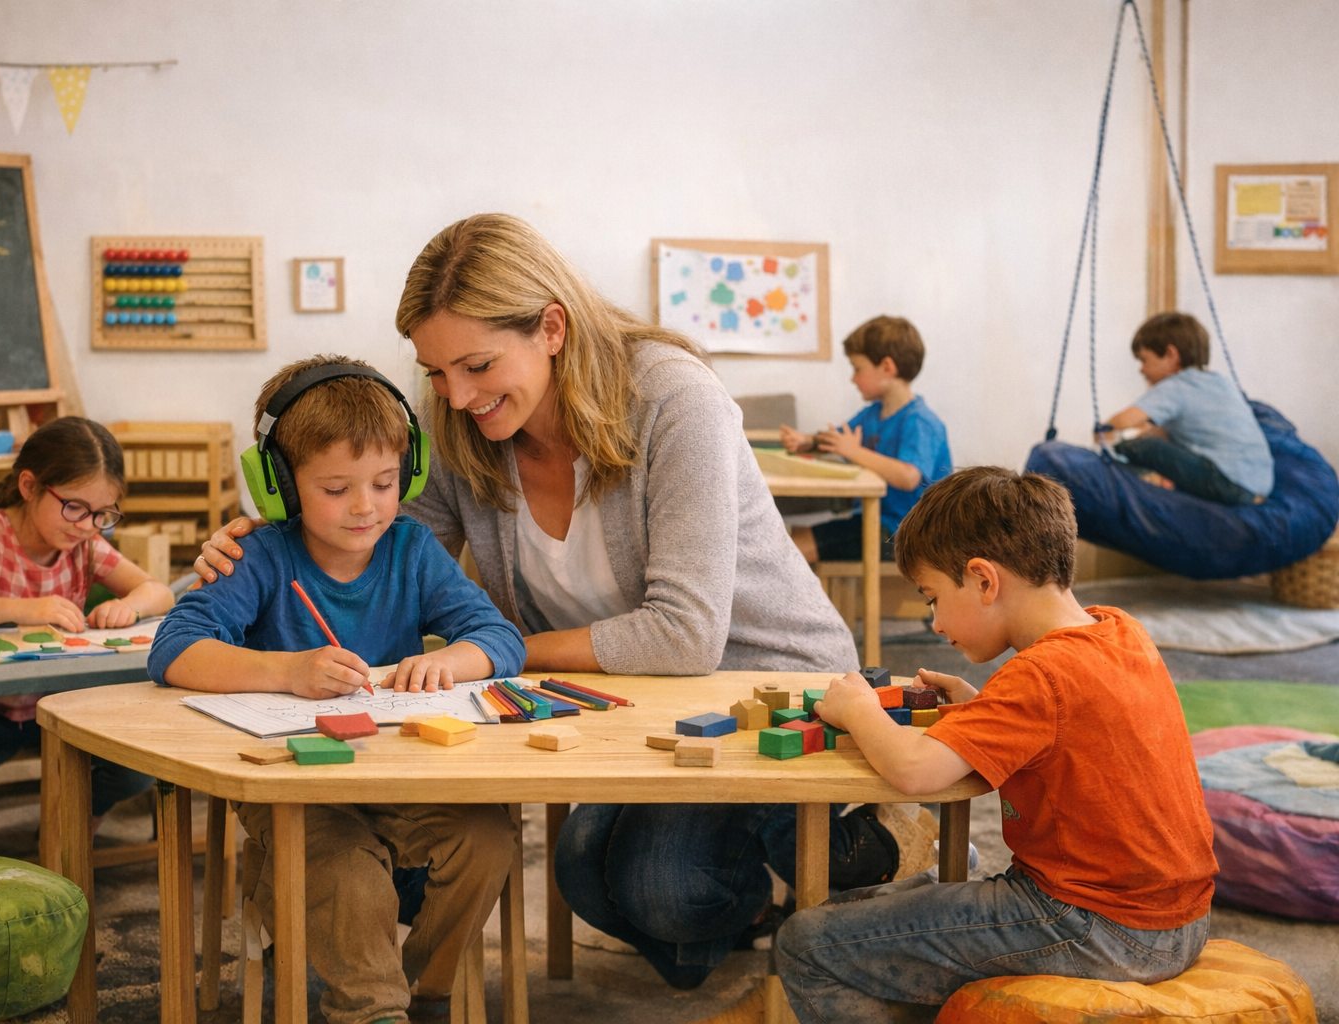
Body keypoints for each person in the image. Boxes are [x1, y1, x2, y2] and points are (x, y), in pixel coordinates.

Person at [195, 214, 892, 989]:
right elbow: (375, 546)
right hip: (628, 699)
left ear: (551, 328)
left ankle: (838, 844)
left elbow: (686, 637)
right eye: (435, 372)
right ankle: (747, 902)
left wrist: (499, 648)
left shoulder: (673, 398)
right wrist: (266, 541)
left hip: (761, 686)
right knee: (585, 873)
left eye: (477, 365)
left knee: (659, 886)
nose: (456, 397)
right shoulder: (464, 424)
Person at [151, 355, 524, 1024]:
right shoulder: (259, 556)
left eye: (385, 483)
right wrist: (285, 671)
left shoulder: (412, 549)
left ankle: (427, 991)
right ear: (280, 486)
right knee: (346, 872)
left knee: (489, 839)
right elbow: (173, 650)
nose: (366, 507)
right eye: (335, 488)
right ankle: (372, 1008)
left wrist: (454, 661)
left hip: (400, 778)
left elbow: (499, 639)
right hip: (300, 792)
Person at [776, 466, 1216, 1022]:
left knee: (809, 944)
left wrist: (859, 709)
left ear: (985, 581)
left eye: (932, 598)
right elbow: (1067, 730)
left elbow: (914, 772)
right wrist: (981, 706)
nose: (934, 623)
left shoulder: (1040, 676)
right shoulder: (1117, 629)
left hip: (1096, 925)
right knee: (891, 897)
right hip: (1179, 918)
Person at [0, 416, 175, 853]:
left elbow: (157, 590)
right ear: (29, 486)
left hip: (57, 706)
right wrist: (24, 610)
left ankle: (68, 829)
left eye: (103, 514)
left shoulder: (83, 544)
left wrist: (129, 605)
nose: (87, 524)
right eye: (76, 508)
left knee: (133, 768)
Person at [781, 315, 951, 564]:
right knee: (792, 539)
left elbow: (908, 476)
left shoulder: (920, 421)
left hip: (908, 535)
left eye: (857, 369)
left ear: (887, 367)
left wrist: (854, 452)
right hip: (874, 520)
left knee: (791, 550)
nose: (853, 378)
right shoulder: (873, 413)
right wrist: (808, 441)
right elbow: (839, 438)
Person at [1096, 311, 1272, 505]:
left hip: (1228, 482)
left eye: (1144, 360)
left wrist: (1104, 431)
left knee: (1141, 448)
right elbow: (1162, 432)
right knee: (1156, 442)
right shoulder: (1219, 381)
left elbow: (1124, 421)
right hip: (1258, 486)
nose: (1141, 370)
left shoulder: (1176, 386)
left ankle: (1136, 476)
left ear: (1171, 355)